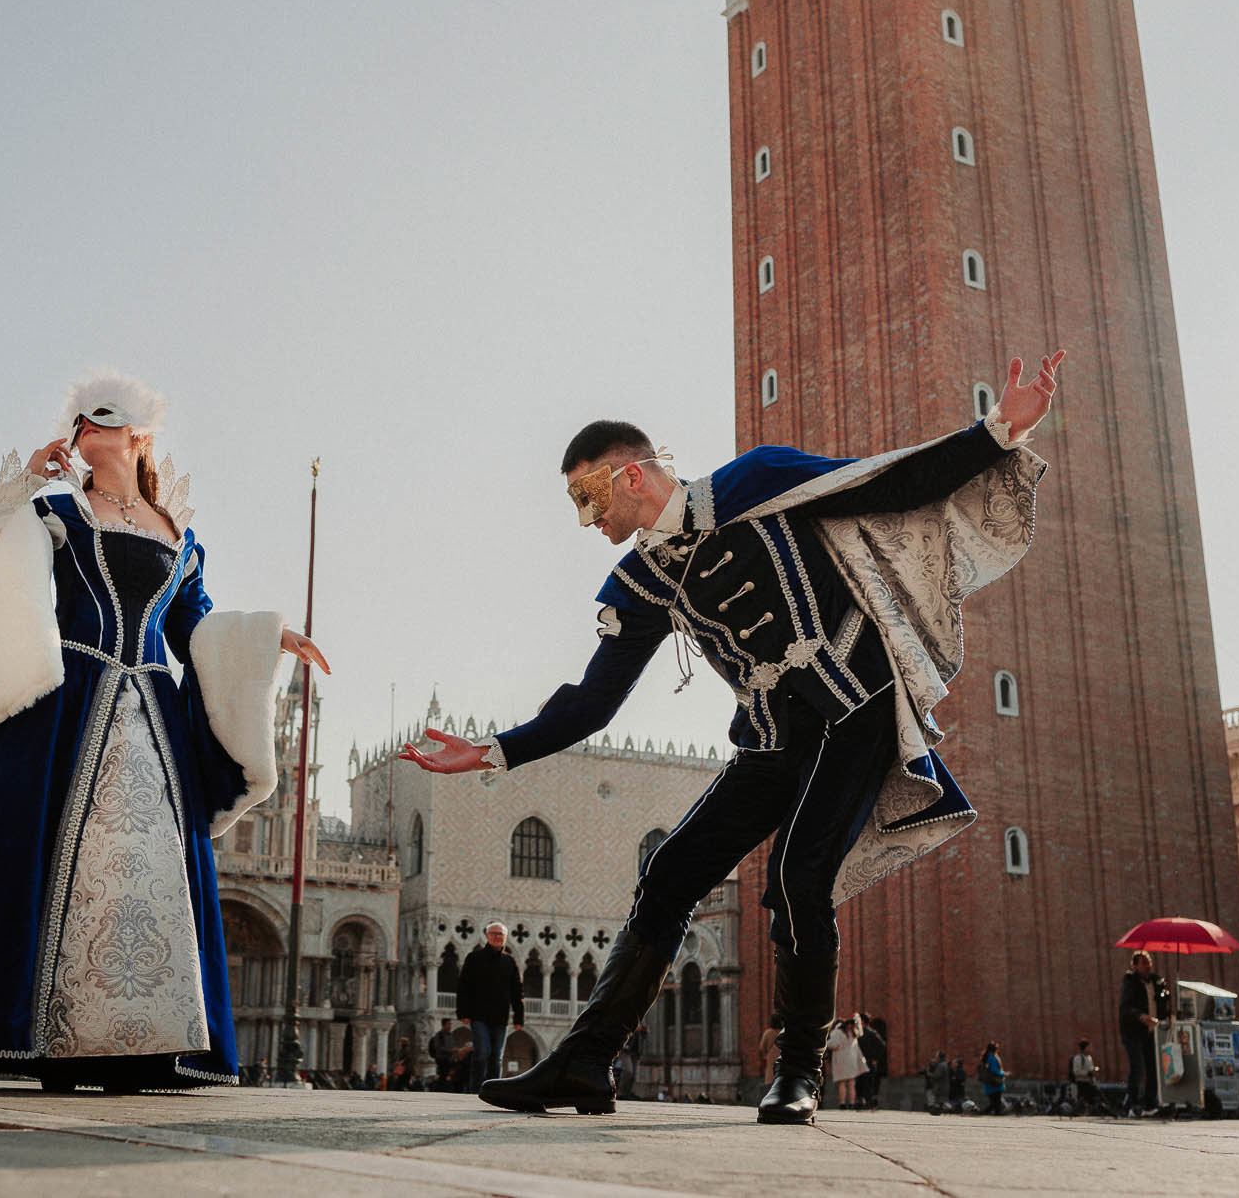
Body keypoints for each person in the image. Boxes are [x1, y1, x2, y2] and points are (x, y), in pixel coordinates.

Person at [402, 353, 1064, 1124]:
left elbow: (892, 482)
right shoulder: (640, 583)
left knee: (797, 874)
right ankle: (585, 1062)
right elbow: (592, 703)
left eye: (587, 496)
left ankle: (799, 1072)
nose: (588, 521)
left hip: (855, 701)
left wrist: (999, 429)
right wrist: (489, 752)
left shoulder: (752, 482)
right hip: (774, 733)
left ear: (631, 476)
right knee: (672, 869)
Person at [0, 372, 327, 1091]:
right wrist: (24, 483)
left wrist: (270, 635)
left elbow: (195, 629)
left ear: (138, 436)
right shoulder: (59, 510)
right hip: (64, 709)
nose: (86, 422)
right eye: (80, 415)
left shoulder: (179, 538)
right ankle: (51, 1043)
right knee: (48, 862)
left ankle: (135, 1048)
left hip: (151, 716)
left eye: (105, 415)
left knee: (142, 879)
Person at [455, 922, 525, 1090]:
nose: (497, 937)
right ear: (486, 936)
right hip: (478, 1015)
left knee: (497, 1057)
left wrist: (519, 1017)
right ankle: (476, 1089)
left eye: (501, 934)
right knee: (482, 1051)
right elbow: (463, 987)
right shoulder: (474, 958)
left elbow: (517, 991)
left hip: (500, 1017)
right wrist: (462, 1011)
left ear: (505, 938)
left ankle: (493, 1090)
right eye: (493, 933)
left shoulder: (509, 962)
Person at [1119, 950, 1168, 1115]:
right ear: (1135, 965)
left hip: (1151, 1031)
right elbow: (1125, 1007)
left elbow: (1163, 1004)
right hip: (1132, 1031)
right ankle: (1132, 1104)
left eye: (1149, 962)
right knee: (1137, 1066)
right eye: (1144, 963)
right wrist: (1141, 1016)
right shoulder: (1130, 981)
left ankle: (1149, 1104)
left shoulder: (1157, 981)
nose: (1148, 966)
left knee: (1153, 1067)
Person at [827, 1017, 864, 1107]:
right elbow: (861, 1033)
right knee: (851, 1083)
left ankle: (842, 1103)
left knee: (842, 1083)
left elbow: (832, 1044)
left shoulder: (837, 1032)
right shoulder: (853, 1032)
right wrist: (858, 1020)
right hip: (852, 1060)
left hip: (841, 1060)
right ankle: (851, 1103)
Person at [858, 1015, 887, 1108]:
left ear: (864, 1022)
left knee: (869, 1082)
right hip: (860, 1062)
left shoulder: (871, 1033)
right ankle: (863, 1101)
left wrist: (875, 1058)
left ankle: (869, 1102)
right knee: (861, 1082)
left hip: (869, 1061)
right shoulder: (859, 1033)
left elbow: (882, 1045)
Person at [1068, 1038, 1101, 1115]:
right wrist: (1087, 1073)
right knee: (1082, 1099)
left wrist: (1094, 1070)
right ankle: (1075, 1112)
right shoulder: (1078, 1058)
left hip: (1089, 1082)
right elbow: (1076, 1071)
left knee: (1096, 1096)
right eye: (1089, 1047)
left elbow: (1091, 1069)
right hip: (1081, 1083)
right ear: (1085, 1048)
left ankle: (1093, 1111)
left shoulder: (1089, 1058)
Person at [979, 1042, 1007, 1115]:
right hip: (995, 1082)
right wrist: (1004, 1073)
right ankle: (984, 1113)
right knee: (996, 1103)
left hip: (988, 1082)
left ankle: (984, 1113)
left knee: (994, 1102)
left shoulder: (986, 1056)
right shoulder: (993, 1057)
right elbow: (994, 1070)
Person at [429, 1016, 459, 1086]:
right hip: (442, 1060)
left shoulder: (451, 1035)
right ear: (444, 1025)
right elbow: (438, 1048)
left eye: (450, 1024)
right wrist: (451, 1051)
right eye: (449, 1024)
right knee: (442, 1077)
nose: (450, 1026)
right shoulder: (439, 1035)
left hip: (450, 1059)